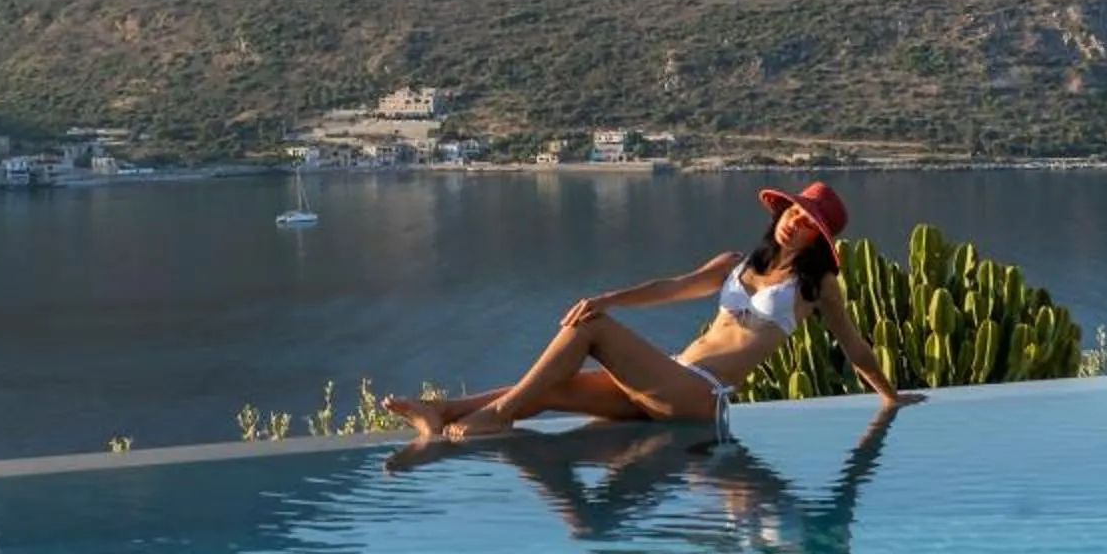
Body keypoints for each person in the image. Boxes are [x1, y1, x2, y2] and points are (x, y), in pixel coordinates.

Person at [381, 180, 907, 443]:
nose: (795, 222)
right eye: (794, 211)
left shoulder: (816, 287)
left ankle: (494, 417)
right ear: (781, 212)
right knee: (552, 388)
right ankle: (442, 411)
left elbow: (853, 345)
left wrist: (890, 396)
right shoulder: (736, 263)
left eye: (808, 222)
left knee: (591, 330)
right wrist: (608, 297)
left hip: (702, 395)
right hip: (673, 377)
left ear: (819, 239)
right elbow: (670, 288)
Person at [444, 405, 908, 554]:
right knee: (594, 513)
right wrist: (883, 419)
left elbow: (699, 541)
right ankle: (502, 436)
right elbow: (854, 479)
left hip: (690, 469)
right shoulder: (820, 538)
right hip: (703, 453)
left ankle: (505, 442)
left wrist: (639, 545)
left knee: (603, 525)